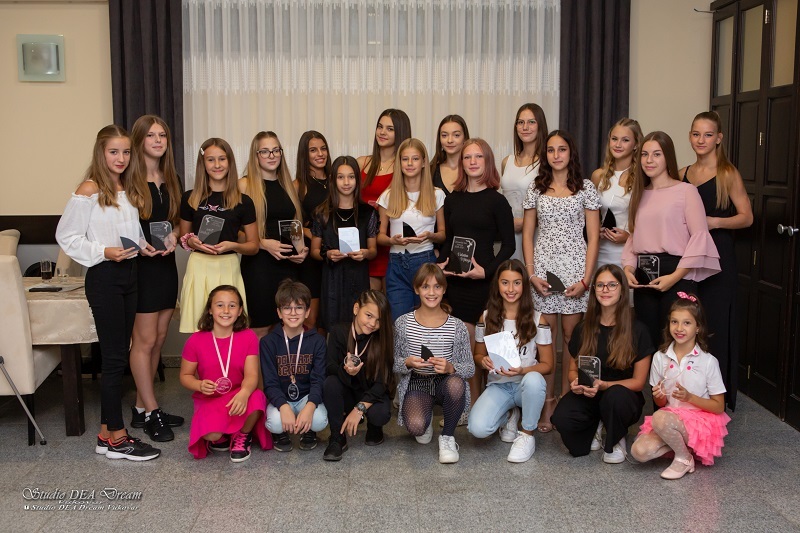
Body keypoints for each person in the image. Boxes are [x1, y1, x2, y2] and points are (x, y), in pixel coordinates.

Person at [56, 125, 161, 460]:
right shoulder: (89, 189)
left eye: (126, 152)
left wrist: (144, 245)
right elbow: (67, 236)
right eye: (114, 152)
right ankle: (117, 437)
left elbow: (126, 231)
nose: (121, 158)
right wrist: (104, 252)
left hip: (130, 273)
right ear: (101, 153)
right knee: (114, 358)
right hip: (104, 277)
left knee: (120, 354)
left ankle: (106, 434)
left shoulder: (126, 187)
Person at [522, 130, 601, 431]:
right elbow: (527, 235)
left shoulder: (586, 188)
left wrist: (586, 279)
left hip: (575, 273)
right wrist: (531, 274)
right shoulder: (535, 188)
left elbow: (593, 237)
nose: (556, 155)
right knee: (545, 339)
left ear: (571, 153)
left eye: (562, 149)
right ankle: (547, 401)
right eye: (551, 150)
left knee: (571, 338)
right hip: (543, 272)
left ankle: (568, 401)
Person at [679, 111, 753, 411]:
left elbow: (747, 217)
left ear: (718, 138)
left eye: (708, 135)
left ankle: (716, 402)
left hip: (720, 258)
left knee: (717, 325)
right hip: (689, 256)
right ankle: (687, 395)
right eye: (696, 134)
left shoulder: (727, 174)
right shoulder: (682, 173)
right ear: (690, 136)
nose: (701, 140)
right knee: (688, 321)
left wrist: (715, 222)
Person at [622, 131, 721, 350]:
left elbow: (699, 237)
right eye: (645, 154)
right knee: (646, 339)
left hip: (676, 273)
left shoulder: (686, 191)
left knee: (676, 339)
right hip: (644, 277)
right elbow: (634, 236)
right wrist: (628, 269)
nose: (649, 160)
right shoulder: (639, 194)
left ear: (667, 157)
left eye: (656, 154)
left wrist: (674, 277)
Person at [438, 138, 515, 408]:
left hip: (484, 284)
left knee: (487, 349)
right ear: (461, 163)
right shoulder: (452, 199)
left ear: (487, 162)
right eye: (467, 157)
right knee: (464, 349)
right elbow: (449, 240)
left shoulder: (497, 201)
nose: (472, 162)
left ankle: (490, 404)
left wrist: (486, 272)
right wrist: (441, 265)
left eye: (478, 157)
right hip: (457, 284)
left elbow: (509, 246)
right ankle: (469, 405)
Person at [550, 265, 654, 463]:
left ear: (622, 290)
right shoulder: (583, 328)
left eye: (612, 285)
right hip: (590, 393)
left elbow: (639, 382)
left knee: (614, 397)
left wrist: (605, 385)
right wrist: (576, 383)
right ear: (594, 290)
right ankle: (596, 424)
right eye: (600, 285)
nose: (605, 290)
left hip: (622, 397)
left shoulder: (638, 330)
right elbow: (572, 370)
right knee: (563, 418)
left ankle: (616, 436)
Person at [125, 114, 185, 442]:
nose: (158, 140)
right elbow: (116, 227)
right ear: (139, 140)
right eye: (151, 135)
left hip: (165, 265)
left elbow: (173, 221)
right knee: (144, 341)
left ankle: (141, 408)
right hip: (140, 267)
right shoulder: (126, 180)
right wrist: (138, 245)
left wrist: (174, 234)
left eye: (162, 135)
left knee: (159, 339)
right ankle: (151, 411)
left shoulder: (170, 177)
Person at [631, 294, 731, 479]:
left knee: (660, 417)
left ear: (698, 327)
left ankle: (684, 458)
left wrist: (690, 397)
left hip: (700, 424)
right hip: (670, 420)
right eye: (674, 322)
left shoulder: (708, 361)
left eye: (687, 323)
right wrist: (659, 395)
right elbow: (660, 403)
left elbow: (718, 406)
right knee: (639, 451)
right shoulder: (660, 357)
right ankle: (683, 448)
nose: (679, 328)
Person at [468, 260, 554, 463]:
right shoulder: (486, 317)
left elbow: (548, 365)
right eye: (505, 282)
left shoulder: (538, 319)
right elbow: (477, 356)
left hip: (526, 385)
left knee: (534, 379)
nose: (510, 289)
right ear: (497, 285)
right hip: (499, 386)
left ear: (524, 285)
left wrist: (522, 370)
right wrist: (483, 361)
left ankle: (527, 434)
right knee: (477, 429)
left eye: (516, 283)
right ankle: (509, 414)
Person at [394, 264, 475, 464]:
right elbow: (395, 363)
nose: (431, 292)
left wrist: (451, 367)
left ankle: (447, 437)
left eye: (437, 286)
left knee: (456, 384)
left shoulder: (457, 326)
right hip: (417, 382)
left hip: (445, 382)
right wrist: (407, 362)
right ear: (416, 289)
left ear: (444, 289)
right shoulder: (403, 323)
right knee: (416, 427)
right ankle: (426, 416)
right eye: (425, 286)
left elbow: (470, 368)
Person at [180, 285, 270, 461]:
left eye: (232, 305)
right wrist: (198, 384)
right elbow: (185, 376)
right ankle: (222, 434)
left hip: (237, 394)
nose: (226, 311)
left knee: (257, 396)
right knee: (211, 435)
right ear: (210, 309)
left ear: (240, 311)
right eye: (220, 305)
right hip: (210, 399)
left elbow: (252, 375)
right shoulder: (195, 340)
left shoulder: (248, 336)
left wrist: (244, 393)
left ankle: (242, 435)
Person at [178, 138, 259, 333]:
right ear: (203, 164)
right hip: (198, 266)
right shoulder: (190, 197)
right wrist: (192, 242)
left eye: (222, 159)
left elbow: (254, 246)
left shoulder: (244, 201)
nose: (217, 165)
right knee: (198, 329)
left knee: (230, 329)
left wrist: (233, 245)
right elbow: (183, 237)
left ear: (229, 162)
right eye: (211, 160)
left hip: (228, 266)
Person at [239, 131, 306, 337]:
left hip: (288, 265)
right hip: (259, 266)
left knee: (285, 327)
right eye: (265, 151)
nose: (272, 155)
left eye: (276, 150)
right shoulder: (245, 185)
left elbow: (294, 224)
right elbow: (234, 233)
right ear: (256, 155)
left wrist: (301, 249)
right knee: (260, 327)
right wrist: (262, 243)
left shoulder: (288, 185)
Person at [377, 138, 446, 319]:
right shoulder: (388, 196)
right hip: (396, 263)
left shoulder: (437, 194)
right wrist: (392, 240)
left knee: (426, 319)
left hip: (425, 261)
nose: (409, 163)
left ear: (423, 162)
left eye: (415, 159)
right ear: (399, 163)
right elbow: (380, 237)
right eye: (405, 159)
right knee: (398, 322)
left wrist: (430, 236)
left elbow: (443, 234)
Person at [322, 290, 395, 461]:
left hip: (371, 394)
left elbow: (382, 382)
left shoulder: (383, 338)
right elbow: (329, 366)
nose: (372, 324)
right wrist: (345, 370)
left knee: (380, 414)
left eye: (378, 320)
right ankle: (337, 436)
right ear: (356, 309)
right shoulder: (338, 331)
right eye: (369, 315)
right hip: (348, 391)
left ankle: (374, 427)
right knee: (330, 383)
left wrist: (359, 409)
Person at [310, 156, 378, 329]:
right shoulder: (322, 213)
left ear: (357, 179)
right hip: (332, 280)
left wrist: (365, 253)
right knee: (332, 327)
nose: (346, 182)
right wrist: (327, 254)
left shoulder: (368, 213)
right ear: (333, 180)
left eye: (351, 177)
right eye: (341, 177)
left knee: (359, 325)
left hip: (358, 277)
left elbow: (373, 250)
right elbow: (314, 251)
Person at [260, 280, 328, 452]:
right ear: (279, 312)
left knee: (319, 420)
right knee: (275, 423)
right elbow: (270, 382)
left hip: (306, 397)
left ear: (307, 312)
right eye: (287, 308)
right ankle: (280, 432)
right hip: (281, 397)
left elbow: (319, 379)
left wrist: (310, 406)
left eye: (299, 307)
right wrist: (283, 406)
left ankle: (309, 430)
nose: (293, 313)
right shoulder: (268, 342)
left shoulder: (318, 341)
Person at [357, 108, 412, 290]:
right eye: (380, 127)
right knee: (368, 302)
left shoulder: (406, 167)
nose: (382, 132)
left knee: (393, 302)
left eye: (390, 129)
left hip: (393, 242)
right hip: (365, 243)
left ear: (401, 132)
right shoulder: (362, 162)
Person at [590, 118, 643, 269]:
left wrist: (629, 238)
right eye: (614, 139)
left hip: (628, 254)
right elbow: (589, 217)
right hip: (600, 251)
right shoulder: (598, 176)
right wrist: (596, 230)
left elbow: (651, 222)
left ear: (636, 144)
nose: (618, 144)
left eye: (625, 140)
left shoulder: (641, 178)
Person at [501, 103, 549, 262]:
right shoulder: (507, 161)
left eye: (531, 122)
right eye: (520, 122)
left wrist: (526, 223)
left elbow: (555, 205)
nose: (525, 127)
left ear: (540, 125)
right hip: (508, 234)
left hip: (537, 234)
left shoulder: (547, 162)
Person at [295, 130, 333, 332]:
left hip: (338, 255)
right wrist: (313, 234)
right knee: (311, 319)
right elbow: (293, 224)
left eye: (323, 148)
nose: (320, 154)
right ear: (304, 154)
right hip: (312, 258)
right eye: (313, 150)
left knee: (333, 317)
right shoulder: (298, 185)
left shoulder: (338, 178)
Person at [430, 114, 470, 197]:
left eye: (456, 135)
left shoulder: (473, 169)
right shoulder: (430, 171)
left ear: (465, 138)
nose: (450, 140)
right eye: (444, 135)